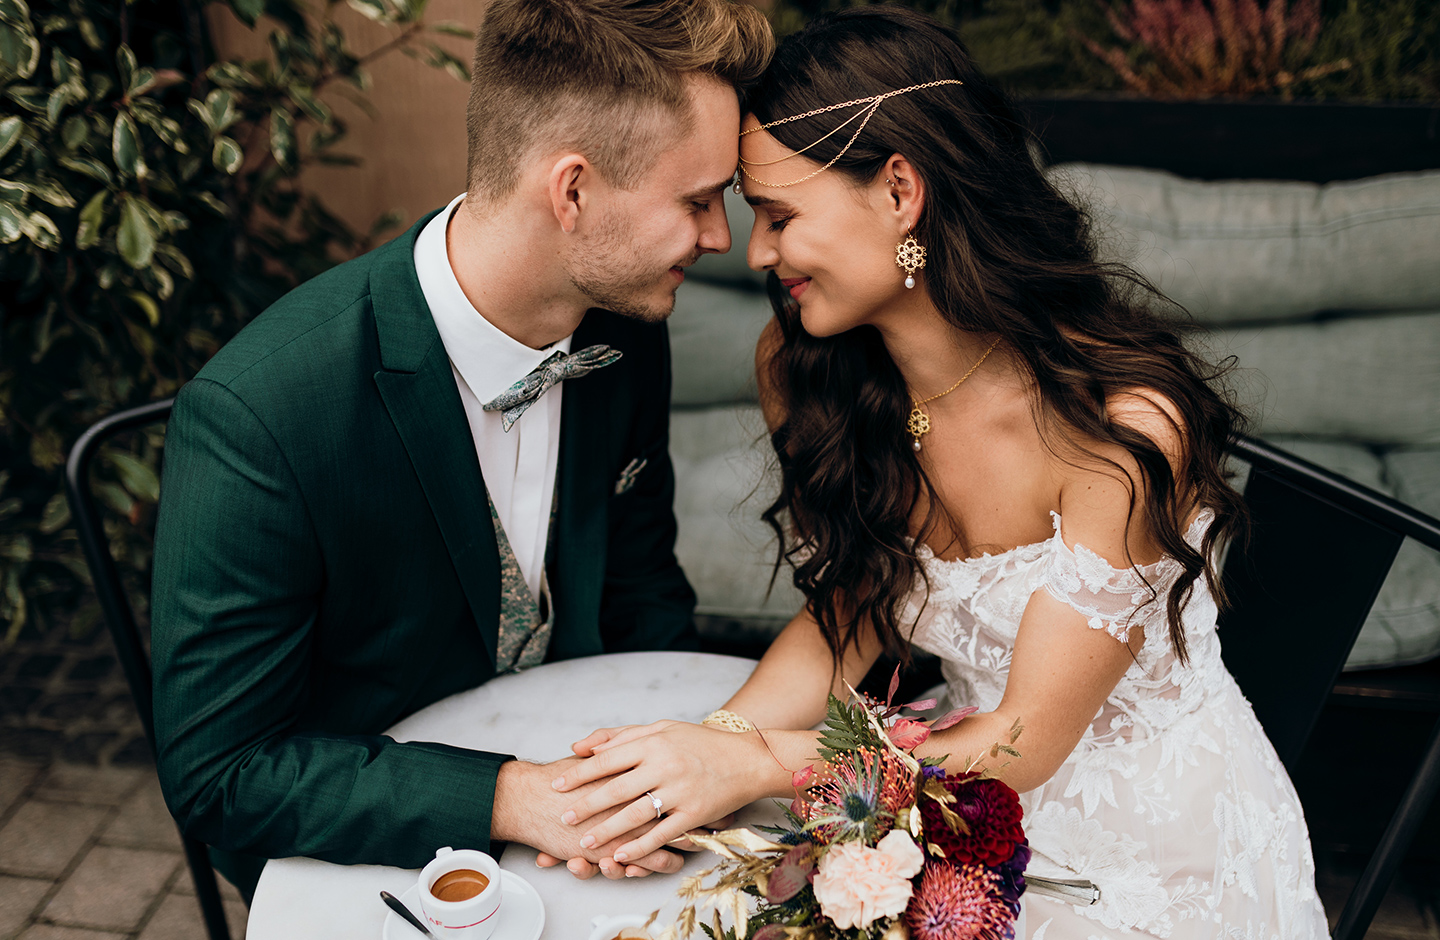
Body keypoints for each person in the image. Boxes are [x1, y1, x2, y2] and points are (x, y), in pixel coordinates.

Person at [550, 7, 1330, 936]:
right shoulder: (810, 372)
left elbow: (1025, 741)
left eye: (778, 216)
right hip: (942, 800)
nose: (756, 253)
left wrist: (758, 765)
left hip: (1159, 853)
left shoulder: (1120, 431)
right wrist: (699, 759)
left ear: (899, 191)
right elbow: (854, 603)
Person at [148, 0, 772, 901]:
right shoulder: (261, 414)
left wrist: (676, 766)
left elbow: (641, 592)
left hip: (588, 802)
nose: (721, 237)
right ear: (573, 190)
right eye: (698, 199)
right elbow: (222, 772)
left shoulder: (626, 329)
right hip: (370, 850)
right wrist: (514, 796)